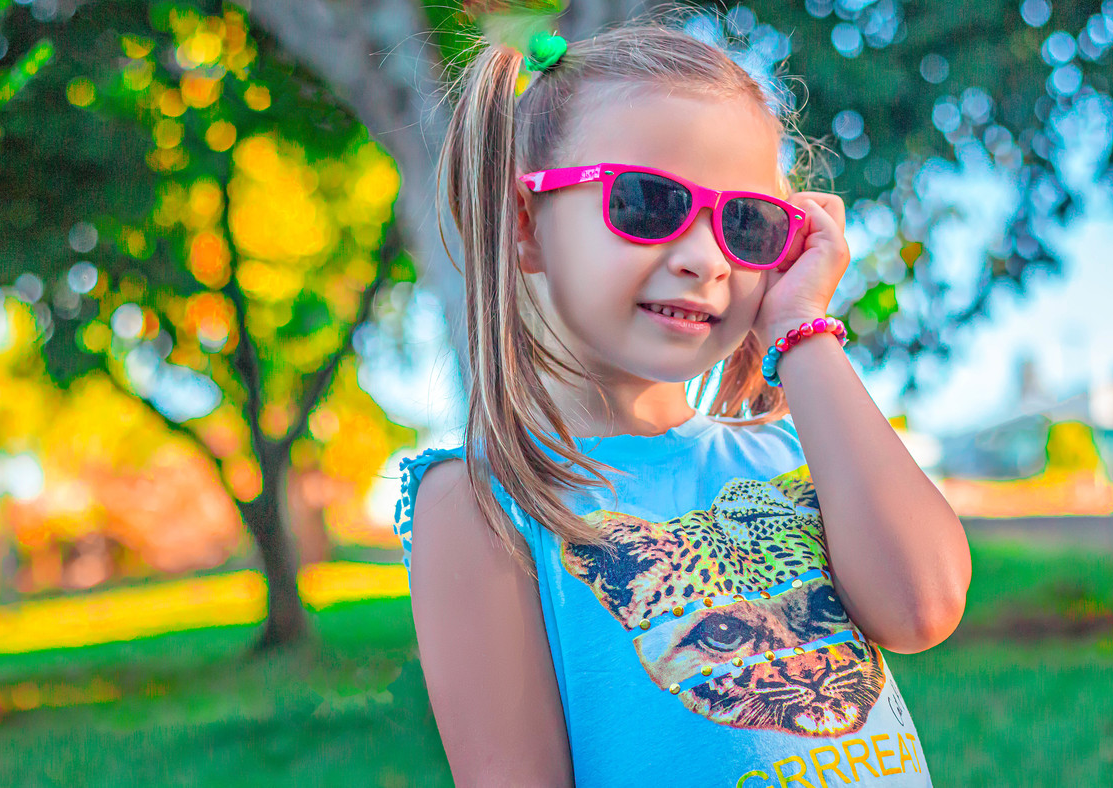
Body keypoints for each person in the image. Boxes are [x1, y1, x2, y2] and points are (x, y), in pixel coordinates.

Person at [392, 12, 970, 787]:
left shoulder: (795, 450)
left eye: (748, 224)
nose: (706, 260)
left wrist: (801, 326)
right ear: (525, 224)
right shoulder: (482, 501)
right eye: (647, 204)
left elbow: (922, 607)